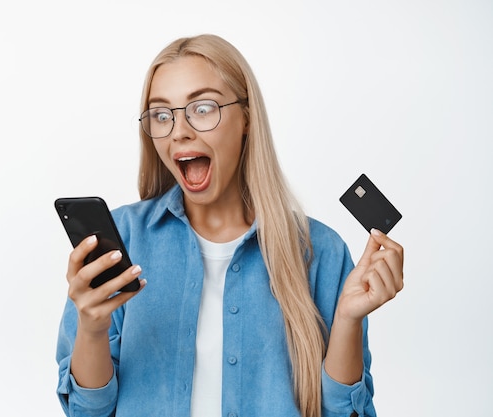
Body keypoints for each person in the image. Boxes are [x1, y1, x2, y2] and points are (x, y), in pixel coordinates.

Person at [56, 34, 404, 417]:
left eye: (202, 108)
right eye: (161, 114)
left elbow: (344, 413)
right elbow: (88, 413)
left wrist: (348, 320)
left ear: (247, 118)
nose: (178, 131)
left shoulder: (321, 251)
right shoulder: (125, 239)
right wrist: (91, 328)